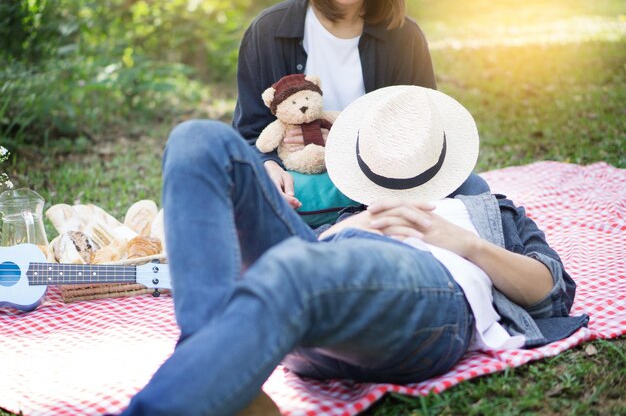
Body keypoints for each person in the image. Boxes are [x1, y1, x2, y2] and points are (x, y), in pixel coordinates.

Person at [118, 86, 588, 416]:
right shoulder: (351, 208)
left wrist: (464, 243)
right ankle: (214, 370)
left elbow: (551, 291)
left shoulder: (485, 208)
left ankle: (183, 395)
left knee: (293, 268)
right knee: (197, 139)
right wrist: (347, 228)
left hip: (425, 296)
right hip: (317, 285)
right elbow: (313, 258)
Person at [234, 0, 489, 209]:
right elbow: (249, 131)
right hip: (304, 174)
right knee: (251, 195)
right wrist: (267, 165)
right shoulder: (268, 30)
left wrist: (337, 139)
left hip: (384, 174)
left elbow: (420, 123)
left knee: (474, 190)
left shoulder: (404, 36)